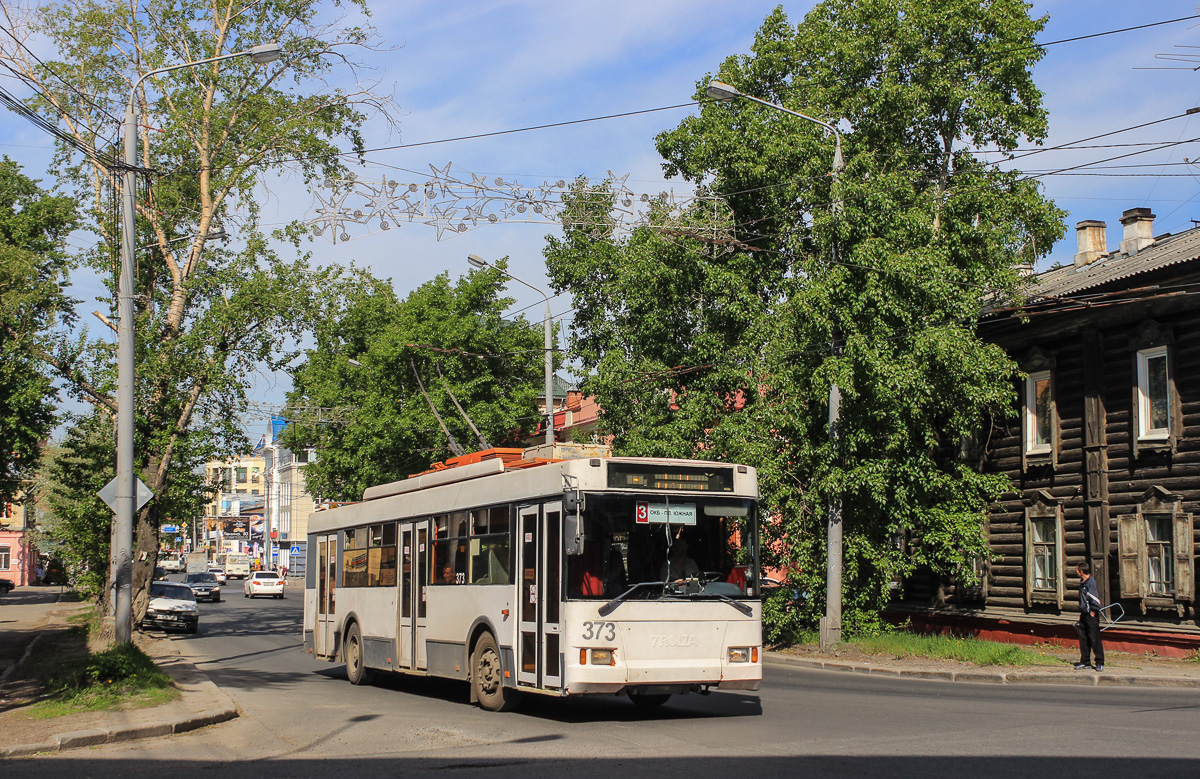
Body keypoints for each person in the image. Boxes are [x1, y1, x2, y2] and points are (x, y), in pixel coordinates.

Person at [1073, 561, 1105, 671]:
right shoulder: (1083, 582)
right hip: (1084, 614)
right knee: (1083, 638)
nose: (1076, 572)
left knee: (1094, 639)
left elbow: (1095, 599)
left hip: (1091, 615)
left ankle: (1099, 662)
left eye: (1077, 570)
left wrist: (1093, 611)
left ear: (1081, 571)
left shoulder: (1090, 583)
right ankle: (1085, 661)